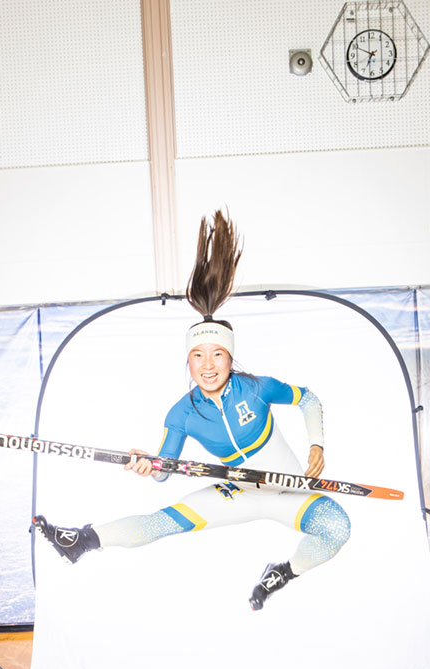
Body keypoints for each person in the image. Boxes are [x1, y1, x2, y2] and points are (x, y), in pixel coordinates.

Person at [33, 211, 351, 610]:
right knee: (158, 524)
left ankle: (281, 574)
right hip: (237, 493)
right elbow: (166, 470)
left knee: (338, 527)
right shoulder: (180, 414)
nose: (207, 364)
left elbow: (308, 399)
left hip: (290, 491)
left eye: (217, 354)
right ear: (188, 361)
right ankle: (82, 540)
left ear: (230, 358)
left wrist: (317, 446)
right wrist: (150, 466)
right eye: (198, 355)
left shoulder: (256, 388)